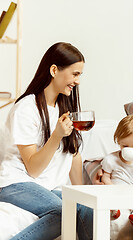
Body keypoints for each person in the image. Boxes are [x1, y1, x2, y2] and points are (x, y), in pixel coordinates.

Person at [0, 42, 93, 240]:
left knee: (87, 209)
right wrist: (56, 135)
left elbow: (73, 155)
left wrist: (84, 194)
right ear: (54, 70)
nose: (77, 81)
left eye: (80, 75)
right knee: (62, 212)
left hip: (46, 188)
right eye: (75, 74)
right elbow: (33, 169)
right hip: (15, 184)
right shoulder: (27, 109)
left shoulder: (63, 107)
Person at [101, 114, 133, 225]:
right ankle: (114, 210)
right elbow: (105, 176)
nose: (130, 149)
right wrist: (111, 188)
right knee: (108, 198)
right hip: (116, 191)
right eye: (125, 146)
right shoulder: (111, 159)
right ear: (118, 140)